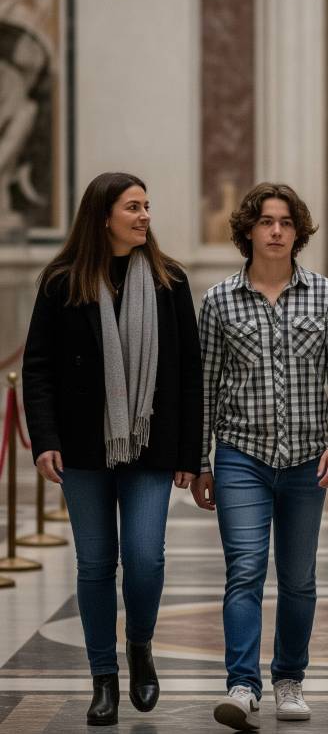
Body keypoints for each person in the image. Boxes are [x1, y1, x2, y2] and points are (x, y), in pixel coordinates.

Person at [22, 171, 202, 726]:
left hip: (149, 443)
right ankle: (104, 677)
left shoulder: (170, 281)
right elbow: (38, 369)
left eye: (147, 206)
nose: (145, 216)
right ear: (103, 217)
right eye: (133, 208)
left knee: (145, 559)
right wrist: (44, 441)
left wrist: (189, 456)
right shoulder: (61, 283)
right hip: (82, 448)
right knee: (96, 563)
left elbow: (189, 372)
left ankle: (140, 648)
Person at [191, 182, 328, 731]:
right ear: (247, 230)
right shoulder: (219, 300)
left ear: (298, 231)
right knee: (244, 570)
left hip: (307, 458)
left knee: (298, 577)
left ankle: (289, 680)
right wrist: (201, 461)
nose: (276, 231)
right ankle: (242, 685)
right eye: (266, 221)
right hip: (242, 454)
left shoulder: (327, 296)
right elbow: (205, 384)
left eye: (286, 222)